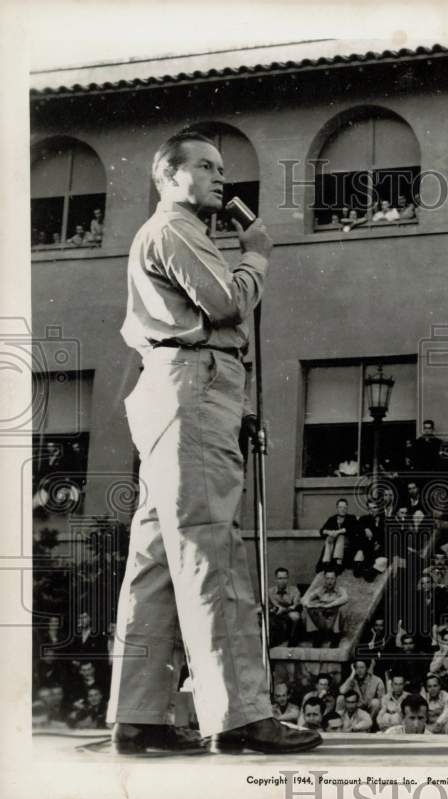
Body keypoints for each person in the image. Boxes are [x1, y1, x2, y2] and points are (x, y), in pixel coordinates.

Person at [109, 130, 321, 755]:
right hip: (193, 384)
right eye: (203, 166)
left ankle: (139, 713)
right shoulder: (174, 229)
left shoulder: (177, 232)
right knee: (211, 551)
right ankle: (239, 715)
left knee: (155, 556)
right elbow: (226, 305)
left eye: (221, 167)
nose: (219, 177)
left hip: (180, 388)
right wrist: (255, 254)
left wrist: (241, 404)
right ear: (168, 176)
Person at [301, 570, 349, 647]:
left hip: (333, 621)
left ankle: (335, 637)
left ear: (335, 579)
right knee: (306, 610)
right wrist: (309, 604)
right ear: (324, 579)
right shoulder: (319, 590)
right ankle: (316, 635)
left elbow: (345, 598)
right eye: (327, 578)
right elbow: (304, 599)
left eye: (332, 579)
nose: (329, 581)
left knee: (342, 609)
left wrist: (329, 605)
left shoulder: (341, 590)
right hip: (322, 620)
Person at [268, 567, 303, 647]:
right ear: (275, 579)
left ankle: (293, 639)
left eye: (285, 578)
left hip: (289, 612)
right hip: (276, 614)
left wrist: (284, 609)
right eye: (280, 578)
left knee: (295, 616)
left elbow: (295, 606)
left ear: (288, 579)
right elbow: (268, 604)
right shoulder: (270, 591)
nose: (282, 581)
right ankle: (272, 640)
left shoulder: (294, 590)